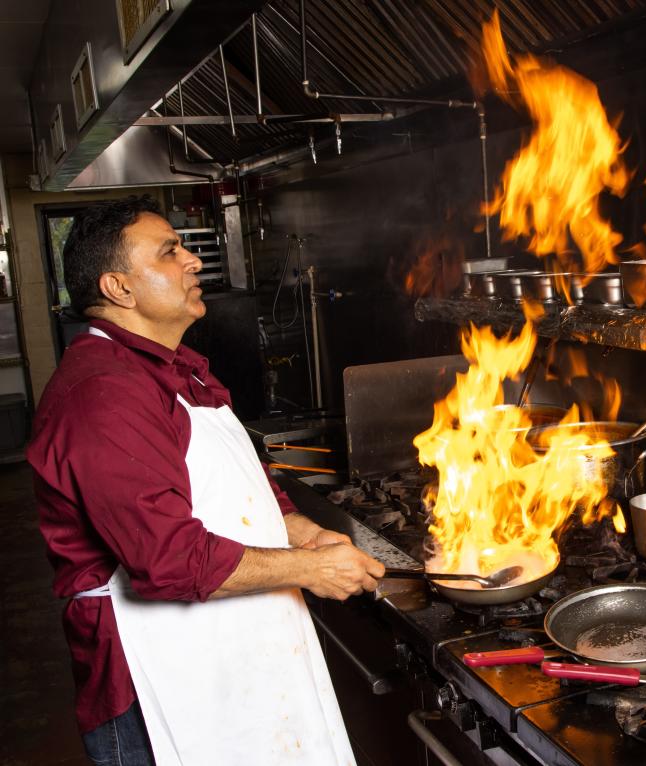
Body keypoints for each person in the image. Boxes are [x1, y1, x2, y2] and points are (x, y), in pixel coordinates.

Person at [27, 195, 385, 766]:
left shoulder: (172, 368)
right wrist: (311, 569)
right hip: (157, 682)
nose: (192, 261)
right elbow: (166, 561)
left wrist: (298, 531)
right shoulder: (103, 394)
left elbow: (240, 483)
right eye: (169, 251)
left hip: (227, 651)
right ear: (119, 288)